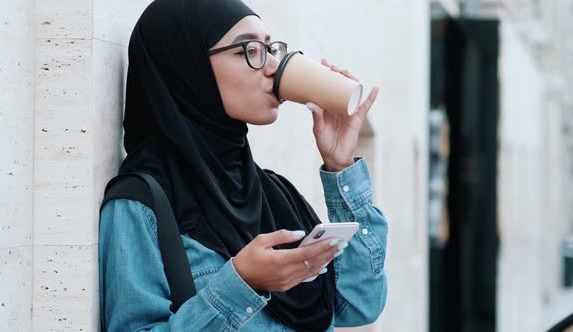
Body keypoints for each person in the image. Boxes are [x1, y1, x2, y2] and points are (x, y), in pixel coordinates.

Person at [98, 0, 387, 331]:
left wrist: (340, 165)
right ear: (188, 66)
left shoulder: (272, 193)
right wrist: (242, 284)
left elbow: (359, 305)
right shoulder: (141, 204)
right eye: (250, 50)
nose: (273, 67)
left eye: (270, 48)